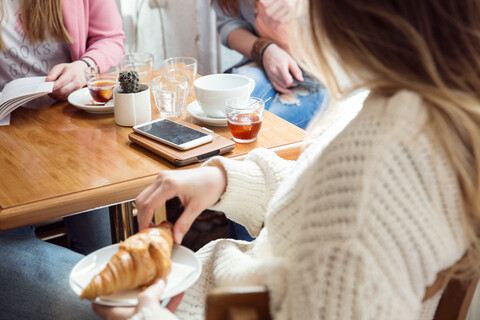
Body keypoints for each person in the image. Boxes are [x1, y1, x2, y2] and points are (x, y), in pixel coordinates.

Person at [95, 0, 480, 319]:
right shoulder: (405, 106)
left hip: (206, 306)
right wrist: (225, 181)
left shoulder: (372, 175)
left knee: (58, 283)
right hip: (223, 286)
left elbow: (347, 206)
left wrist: (146, 314)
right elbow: (319, 194)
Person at [0, 0, 124, 319]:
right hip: (7, 142)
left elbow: (111, 38)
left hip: (70, 132)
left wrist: (85, 67)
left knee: (100, 254)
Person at [214, 0, 329, 241]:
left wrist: (294, 17)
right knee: (236, 124)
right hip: (261, 63)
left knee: (253, 143)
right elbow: (228, 25)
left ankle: (249, 254)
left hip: (323, 75)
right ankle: (241, 249)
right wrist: (265, 49)